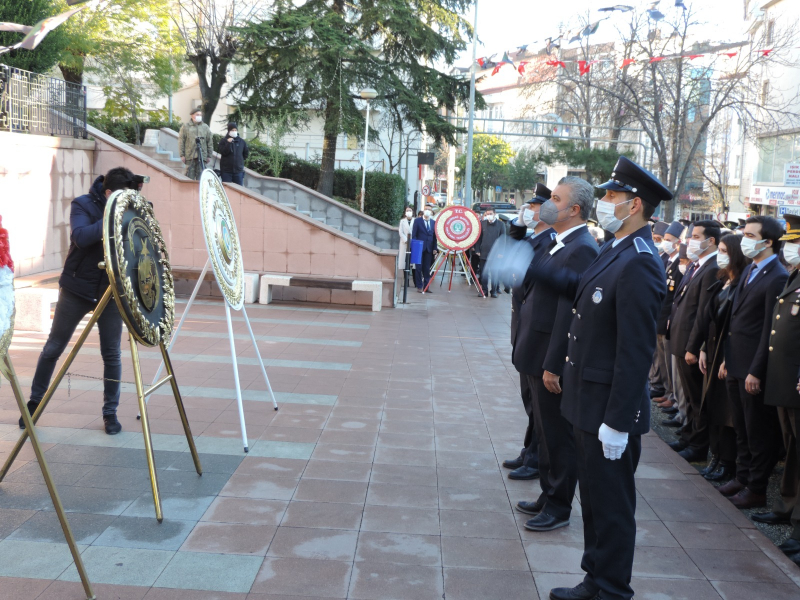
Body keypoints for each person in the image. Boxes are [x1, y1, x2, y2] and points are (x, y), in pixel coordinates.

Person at [531, 156, 670, 600]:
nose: (604, 202)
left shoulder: (642, 261)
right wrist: (538, 268)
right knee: (592, 499)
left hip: (608, 407)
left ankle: (611, 588)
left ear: (634, 206)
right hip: (585, 398)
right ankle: (595, 578)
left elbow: (636, 350)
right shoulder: (615, 249)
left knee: (611, 506)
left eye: (611, 196)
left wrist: (619, 419)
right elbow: (584, 296)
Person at [20, 168, 144, 435]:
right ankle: (34, 403)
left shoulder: (129, 207)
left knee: (111, 354)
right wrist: (113, 218)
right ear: (109, 193)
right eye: (120, 199)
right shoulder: (83, 204)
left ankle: (110, 413)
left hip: (111, 292)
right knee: (54, 347)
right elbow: (81, 237)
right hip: (77, 288)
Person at [513, 177, 598, 533]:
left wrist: (553, 363)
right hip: (535, 347)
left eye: (557, 199)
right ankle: (548, 496)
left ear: (574, 209)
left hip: (550, 354)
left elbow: (569, 312)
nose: (549, 204)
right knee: (546, 434)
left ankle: (559, 505)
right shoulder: (559, 242)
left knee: (558, 438)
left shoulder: (582, 247)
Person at [718, 215, 788, 509]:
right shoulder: (750, 270)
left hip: (752, 368)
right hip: (735, 361)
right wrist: (725, 359)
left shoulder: (778, 276)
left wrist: (756, 370)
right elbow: (736, 321)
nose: (743, 239)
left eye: (749, 234)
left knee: (758, 430)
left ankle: (756, 487)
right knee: (742, 427)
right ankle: (743, 476)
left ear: (767, 242)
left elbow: (766, 330)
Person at [504, 184, 556, 481]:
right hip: (524, 328)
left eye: (534, 207)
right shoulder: (536, 236)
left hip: (537, 333)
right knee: (530, 400)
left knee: (538, 405)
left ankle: (536, 457)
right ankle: (530, 450)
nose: (528, 210)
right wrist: (517, 224)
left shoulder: (550, 240)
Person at [758, 214, 800, 563]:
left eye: (795, 243)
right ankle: (788, 507)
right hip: (787, 381)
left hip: (797, 381)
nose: (789, 249)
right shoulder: (795, 279)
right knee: (793, 449)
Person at [694, 234, 749, 482]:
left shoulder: (741, 284)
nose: (721, 254)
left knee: (727, 413)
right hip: (714, 350)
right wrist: (704, 347)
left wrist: (726, 356)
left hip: (728, 354)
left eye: (726, 250)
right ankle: (716, 457)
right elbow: (710, 320)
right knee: (713, 407)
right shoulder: (723, 280)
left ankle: (727, 463)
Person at [670, 220, 721, 463]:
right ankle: (688, 437)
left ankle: (698, 445)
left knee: (698, 399)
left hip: (690, 344)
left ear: (711, 241)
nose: (691, 240)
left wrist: (693, 347)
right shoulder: (696, 265)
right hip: (681, 340)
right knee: (690, 398)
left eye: (697, 236)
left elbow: (703, 313)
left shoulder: (711, 267)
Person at [652, 221, 684, 414]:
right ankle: (667, 391)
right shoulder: (667, 260)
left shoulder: (680, 263)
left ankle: (672, 394)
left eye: (669, 240)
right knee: (662, 359)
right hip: (660, 314)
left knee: (667, 359)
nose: (665, 243)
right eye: (665, 239)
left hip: (668, 318)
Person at [474, 207, 506, 297]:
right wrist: (477, 250)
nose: (489, 216)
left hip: (496, 254)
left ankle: (494, 291)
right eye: (487, 214)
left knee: (494, 274)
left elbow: (503, 240)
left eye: (491, 214)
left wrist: (501, 252)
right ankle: (484, 290)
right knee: (484, 273)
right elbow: (478, 238)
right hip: (484, 252)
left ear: (494, 214)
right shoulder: (482, 224)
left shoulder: (501, 224)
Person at [178, 107, 213, 181]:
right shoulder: (186, 127)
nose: (199, 116)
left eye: (200, 115)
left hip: (202, 156)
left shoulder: (205, 127)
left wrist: (209, 155)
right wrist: (182, 155)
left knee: (201, 179)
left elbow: (209, 141)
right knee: (188, 178)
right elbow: (181, 141)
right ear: (192, 115)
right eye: (197, 114)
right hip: (190, 156)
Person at [411, 209, 437, 292]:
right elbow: (414, 235)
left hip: (429, 249)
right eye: (426, 210)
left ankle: (426, 286)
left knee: (427, 268)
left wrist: (435, 248)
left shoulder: (433, 222)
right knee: (418, 267)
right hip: (419, 248)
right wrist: (414, 247)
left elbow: (434, 237)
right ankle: (419, 286)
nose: (427, 212)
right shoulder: (417, 221)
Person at [398, 206, 414, 271]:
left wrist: (411, 240)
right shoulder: (402, 221)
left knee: (412, 261)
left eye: (410, 211)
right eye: (407, 211)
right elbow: (400, 232)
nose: (408, 212)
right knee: (404, 262)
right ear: (405, 212)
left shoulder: (415, 221)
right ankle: (405, 277)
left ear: (412, 212)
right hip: (404, 243)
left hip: (413, 242)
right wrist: (406, 240)